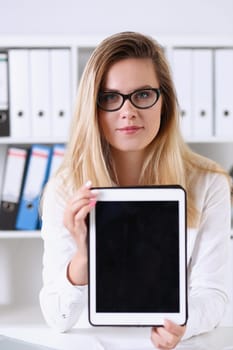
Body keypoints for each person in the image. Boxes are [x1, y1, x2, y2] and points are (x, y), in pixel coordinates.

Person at [39, 31, 231, 349]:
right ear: (93, 108)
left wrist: (181, 324)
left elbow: (212, 294)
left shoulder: (209, 182)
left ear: (164, 102)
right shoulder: (66, 188)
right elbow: (58, 317)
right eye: (111, 97)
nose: (128, 111)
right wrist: (84, 257)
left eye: (142, 95)